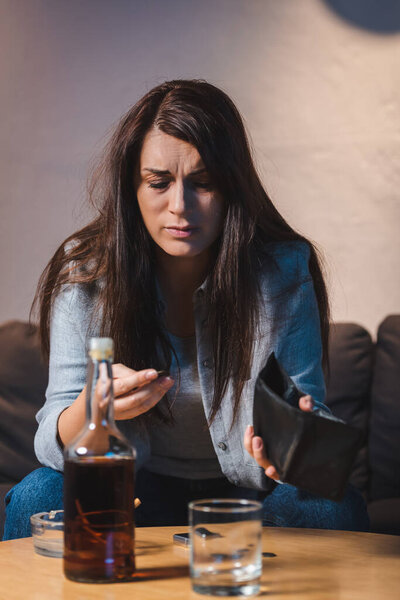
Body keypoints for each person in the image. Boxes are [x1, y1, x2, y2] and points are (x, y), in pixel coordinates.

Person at [3, 79, 368, 539]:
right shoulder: (86, 272)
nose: (180, 206)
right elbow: (50, 441)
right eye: (158, 182)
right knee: (39, 495)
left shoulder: (282, 270)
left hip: (252, 495)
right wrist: (94, 408)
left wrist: (298, 444)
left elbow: (308, 411)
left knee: (334, 508)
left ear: (232, 187)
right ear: (131, 187)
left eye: (204, 183)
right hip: (129, 489)